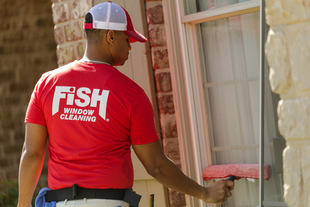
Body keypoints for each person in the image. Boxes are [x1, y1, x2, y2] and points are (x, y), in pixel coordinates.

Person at [17, 2, 234, 207]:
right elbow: (156, 166)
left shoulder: (46, 84)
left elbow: (32, 154)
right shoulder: (131, 94)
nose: (130, 47)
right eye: (127, 39)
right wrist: (204, 193)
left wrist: (22, 204)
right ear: (111, 36)